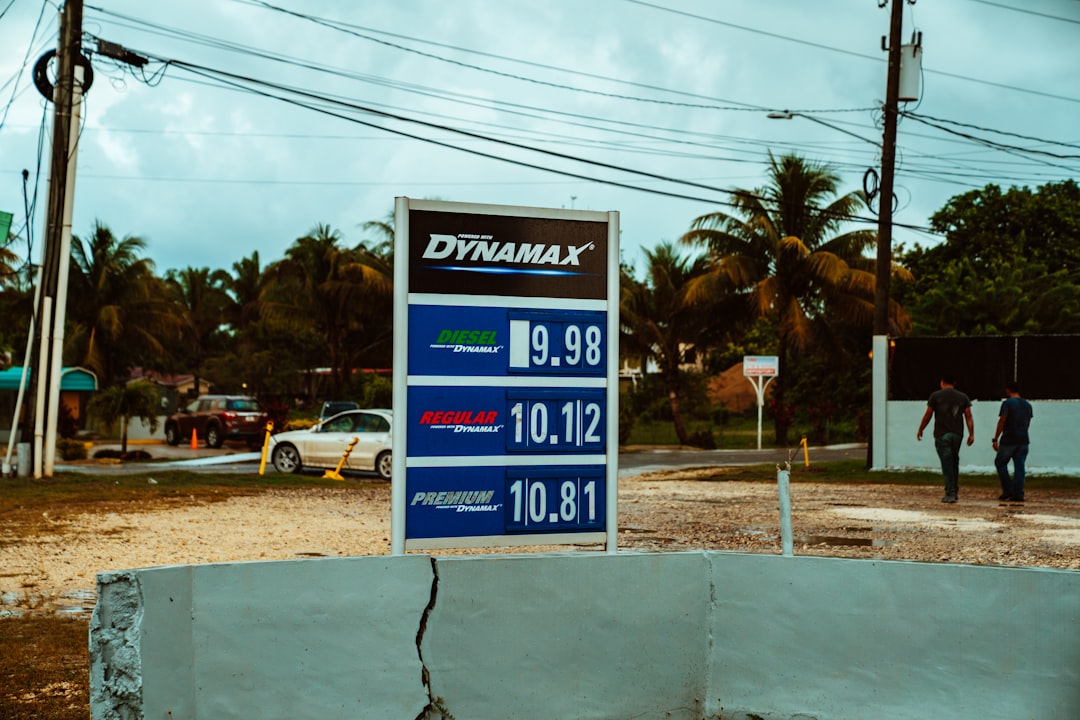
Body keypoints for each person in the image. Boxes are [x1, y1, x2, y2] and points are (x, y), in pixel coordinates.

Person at [916, 374, 975, 503]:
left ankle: (950, 493)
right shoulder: (963, 397)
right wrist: (971, 434)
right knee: (954, 461)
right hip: (957, 434)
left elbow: (928, 414)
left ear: (942, 382)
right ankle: (954, 489)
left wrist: (921, 428)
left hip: (942, 434)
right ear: (954, 383)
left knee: (947, 462)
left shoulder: (936, 396)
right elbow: (968, 416)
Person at [993, 381, 1033, 502]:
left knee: (1000, 463)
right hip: (1023, 439)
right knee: (1020, 466)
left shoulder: (1007, 403)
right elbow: (1028, 422)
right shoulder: (1027, 405)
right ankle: (1018, 493)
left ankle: (1008, 489)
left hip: (1009, 438)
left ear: (1008, 390)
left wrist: (996, 438)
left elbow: (1002, 420)